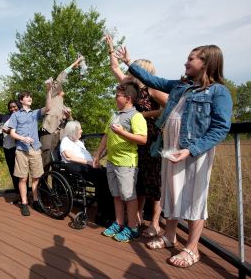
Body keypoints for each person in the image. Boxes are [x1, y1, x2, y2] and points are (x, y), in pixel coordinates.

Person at [117, 45, 232, 268]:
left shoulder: (219, 92)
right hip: (170, 150)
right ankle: (170, 237)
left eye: (191, 59)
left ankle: (192, 249)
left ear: (206, 63)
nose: (185, 63)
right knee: (170, 194)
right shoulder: (182, 86)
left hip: (193, 152)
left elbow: (220, 127)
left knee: (194, 199)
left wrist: (192, 149)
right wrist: (129, 62)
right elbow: (153, 80)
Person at [104, 34, 168, 237]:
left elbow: (170, 108)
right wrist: (110, 48)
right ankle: (136, 219)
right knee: (137, 182)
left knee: (154, 182)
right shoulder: (132, 87)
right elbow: (114, 68)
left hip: (150, 139)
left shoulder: (153, 90)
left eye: (135, 69)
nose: (130, 72)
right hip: (131, 141)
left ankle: (155, 223)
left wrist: (144, 114)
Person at [94, 82, 147, 242]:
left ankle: (132, 227)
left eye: (117, 95)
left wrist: (123, 132)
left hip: (126, 163)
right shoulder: (114, 115)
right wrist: (98, 154)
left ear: (128, 98)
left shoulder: (136, 116)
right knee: (116, 195)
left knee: (129, 196)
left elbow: (142, 139)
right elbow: (106, 136)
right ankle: (119, 223)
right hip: (112, 162)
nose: (115, 97)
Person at [8, 87, 52, 216]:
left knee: (36, 177)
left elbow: (48, 107)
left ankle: (36, 201)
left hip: (35, 149)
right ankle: (24, 202)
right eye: (27, 97)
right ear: (21, 100)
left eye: (30, 97)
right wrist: (23, 138)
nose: (30, 98)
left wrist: (48, 90)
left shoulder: (35, 113)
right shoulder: (15, 115)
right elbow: (12, 133)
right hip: (21, 150)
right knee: (22, 178)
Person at [40, 56, 84, 171]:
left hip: (61, 136)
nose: (62, 87)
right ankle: (42, 187)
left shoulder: (63, 105)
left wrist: (69, 116)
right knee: (45, 163)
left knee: (59, 165)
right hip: (49, 132)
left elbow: (71, 124)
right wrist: (75, 63)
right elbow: (61, 77)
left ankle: (57, 188)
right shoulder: (53, 95)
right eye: (61, 86)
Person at [0, 97, 20, 203]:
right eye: (11, 107)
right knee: (12, 172)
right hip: (7, 148)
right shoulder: (6, 117)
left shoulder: (22, 117)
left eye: (15, 107)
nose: (12, 109)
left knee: (21, 173)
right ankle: (18, 194)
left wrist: (8, 132)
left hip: (18, 148)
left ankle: (24, 195)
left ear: (19, 107)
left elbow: (21, 134)